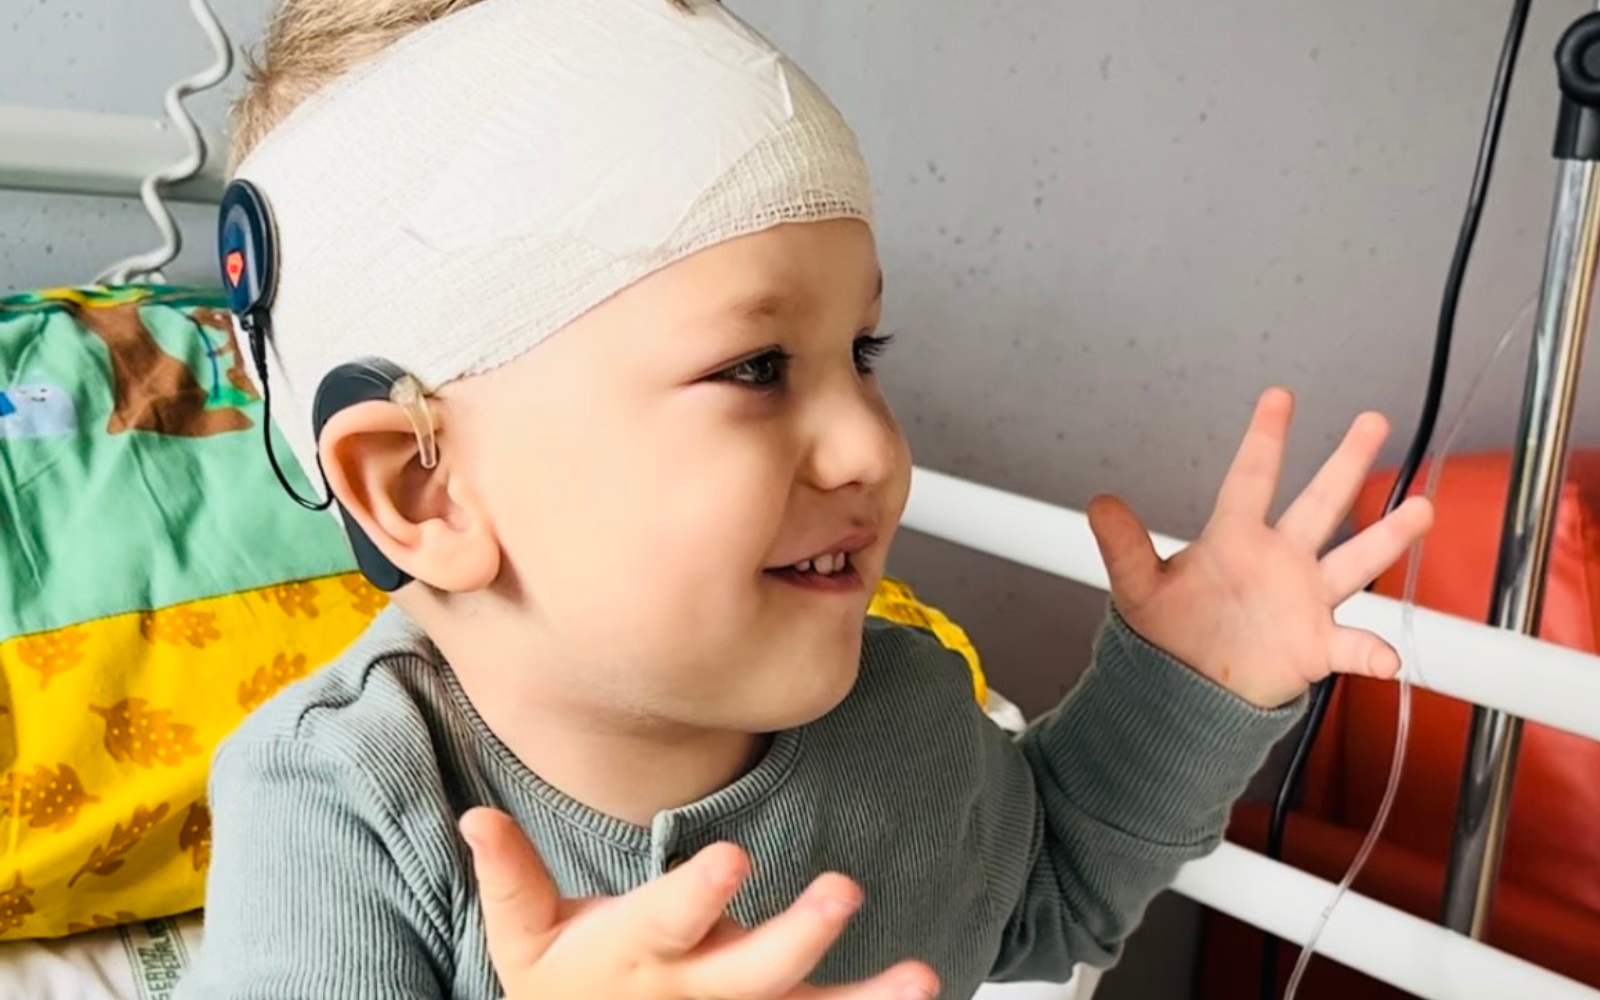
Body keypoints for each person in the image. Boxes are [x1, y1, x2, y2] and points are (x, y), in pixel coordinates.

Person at [174, 1, 1433, 998]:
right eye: (756, 368)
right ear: (423, 489)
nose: (870, 448)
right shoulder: (345, 805)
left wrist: (1184, 687)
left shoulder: (907, 716)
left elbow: (1042, 895)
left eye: (863, 357)